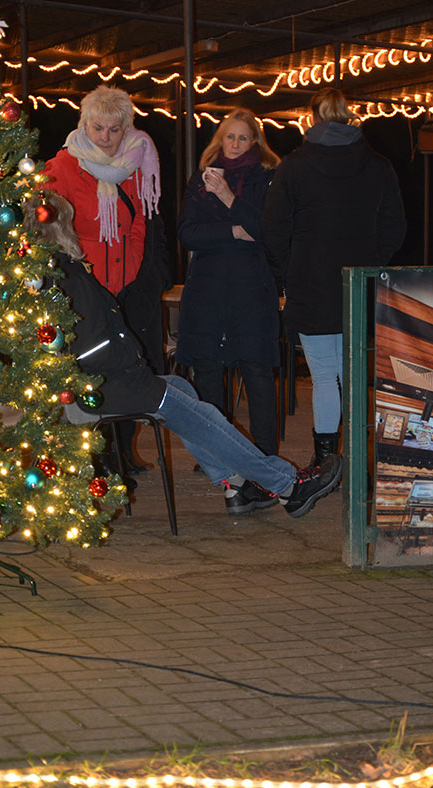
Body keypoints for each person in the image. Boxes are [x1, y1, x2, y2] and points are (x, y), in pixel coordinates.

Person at [22, 191, 342, 519]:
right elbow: (91, 346)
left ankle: (236, 486)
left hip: (103, 382)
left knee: (184, 390)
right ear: (59, 226)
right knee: (196, 417)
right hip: (104, 386)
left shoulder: (53, 271)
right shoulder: (61, 274)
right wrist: (133, 367)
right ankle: (289, 486)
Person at [262, 88, 407, 468]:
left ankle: (326, 463)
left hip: (311, 284)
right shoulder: (378, 166)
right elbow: (395, 227)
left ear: (311, 119)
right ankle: (359, 458)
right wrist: (372, 263)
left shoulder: (293, 166)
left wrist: (288, 272)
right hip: (360, 285)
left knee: (325, 375)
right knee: (357, 375)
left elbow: (273, 228)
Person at [43, 85, 171, 478]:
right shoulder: (61, 167)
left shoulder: (136, 163)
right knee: (87, 373)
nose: (106, 137)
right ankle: (93, 458)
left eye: (114, 129)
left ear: (125, 128)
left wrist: (131, 267)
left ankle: (124, 449)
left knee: (130, 366)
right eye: (98, 128)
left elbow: (142, 223)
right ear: (84, 125)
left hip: (124, 287)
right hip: (84, 291)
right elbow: (48, 227)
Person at [176, 108, 281, 482]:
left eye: (242, 138)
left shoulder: (267, 178)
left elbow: (268, 230)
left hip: (251, 287)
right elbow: (188, 234)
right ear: (219, 140)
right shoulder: (199, 178)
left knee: (255, 369)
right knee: (208, 369)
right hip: (206, 287)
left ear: (255, 142)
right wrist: (233, 232)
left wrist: (227, 198)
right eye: (229, 137)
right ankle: (217, 454)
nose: (234, 145)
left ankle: (266, 457)